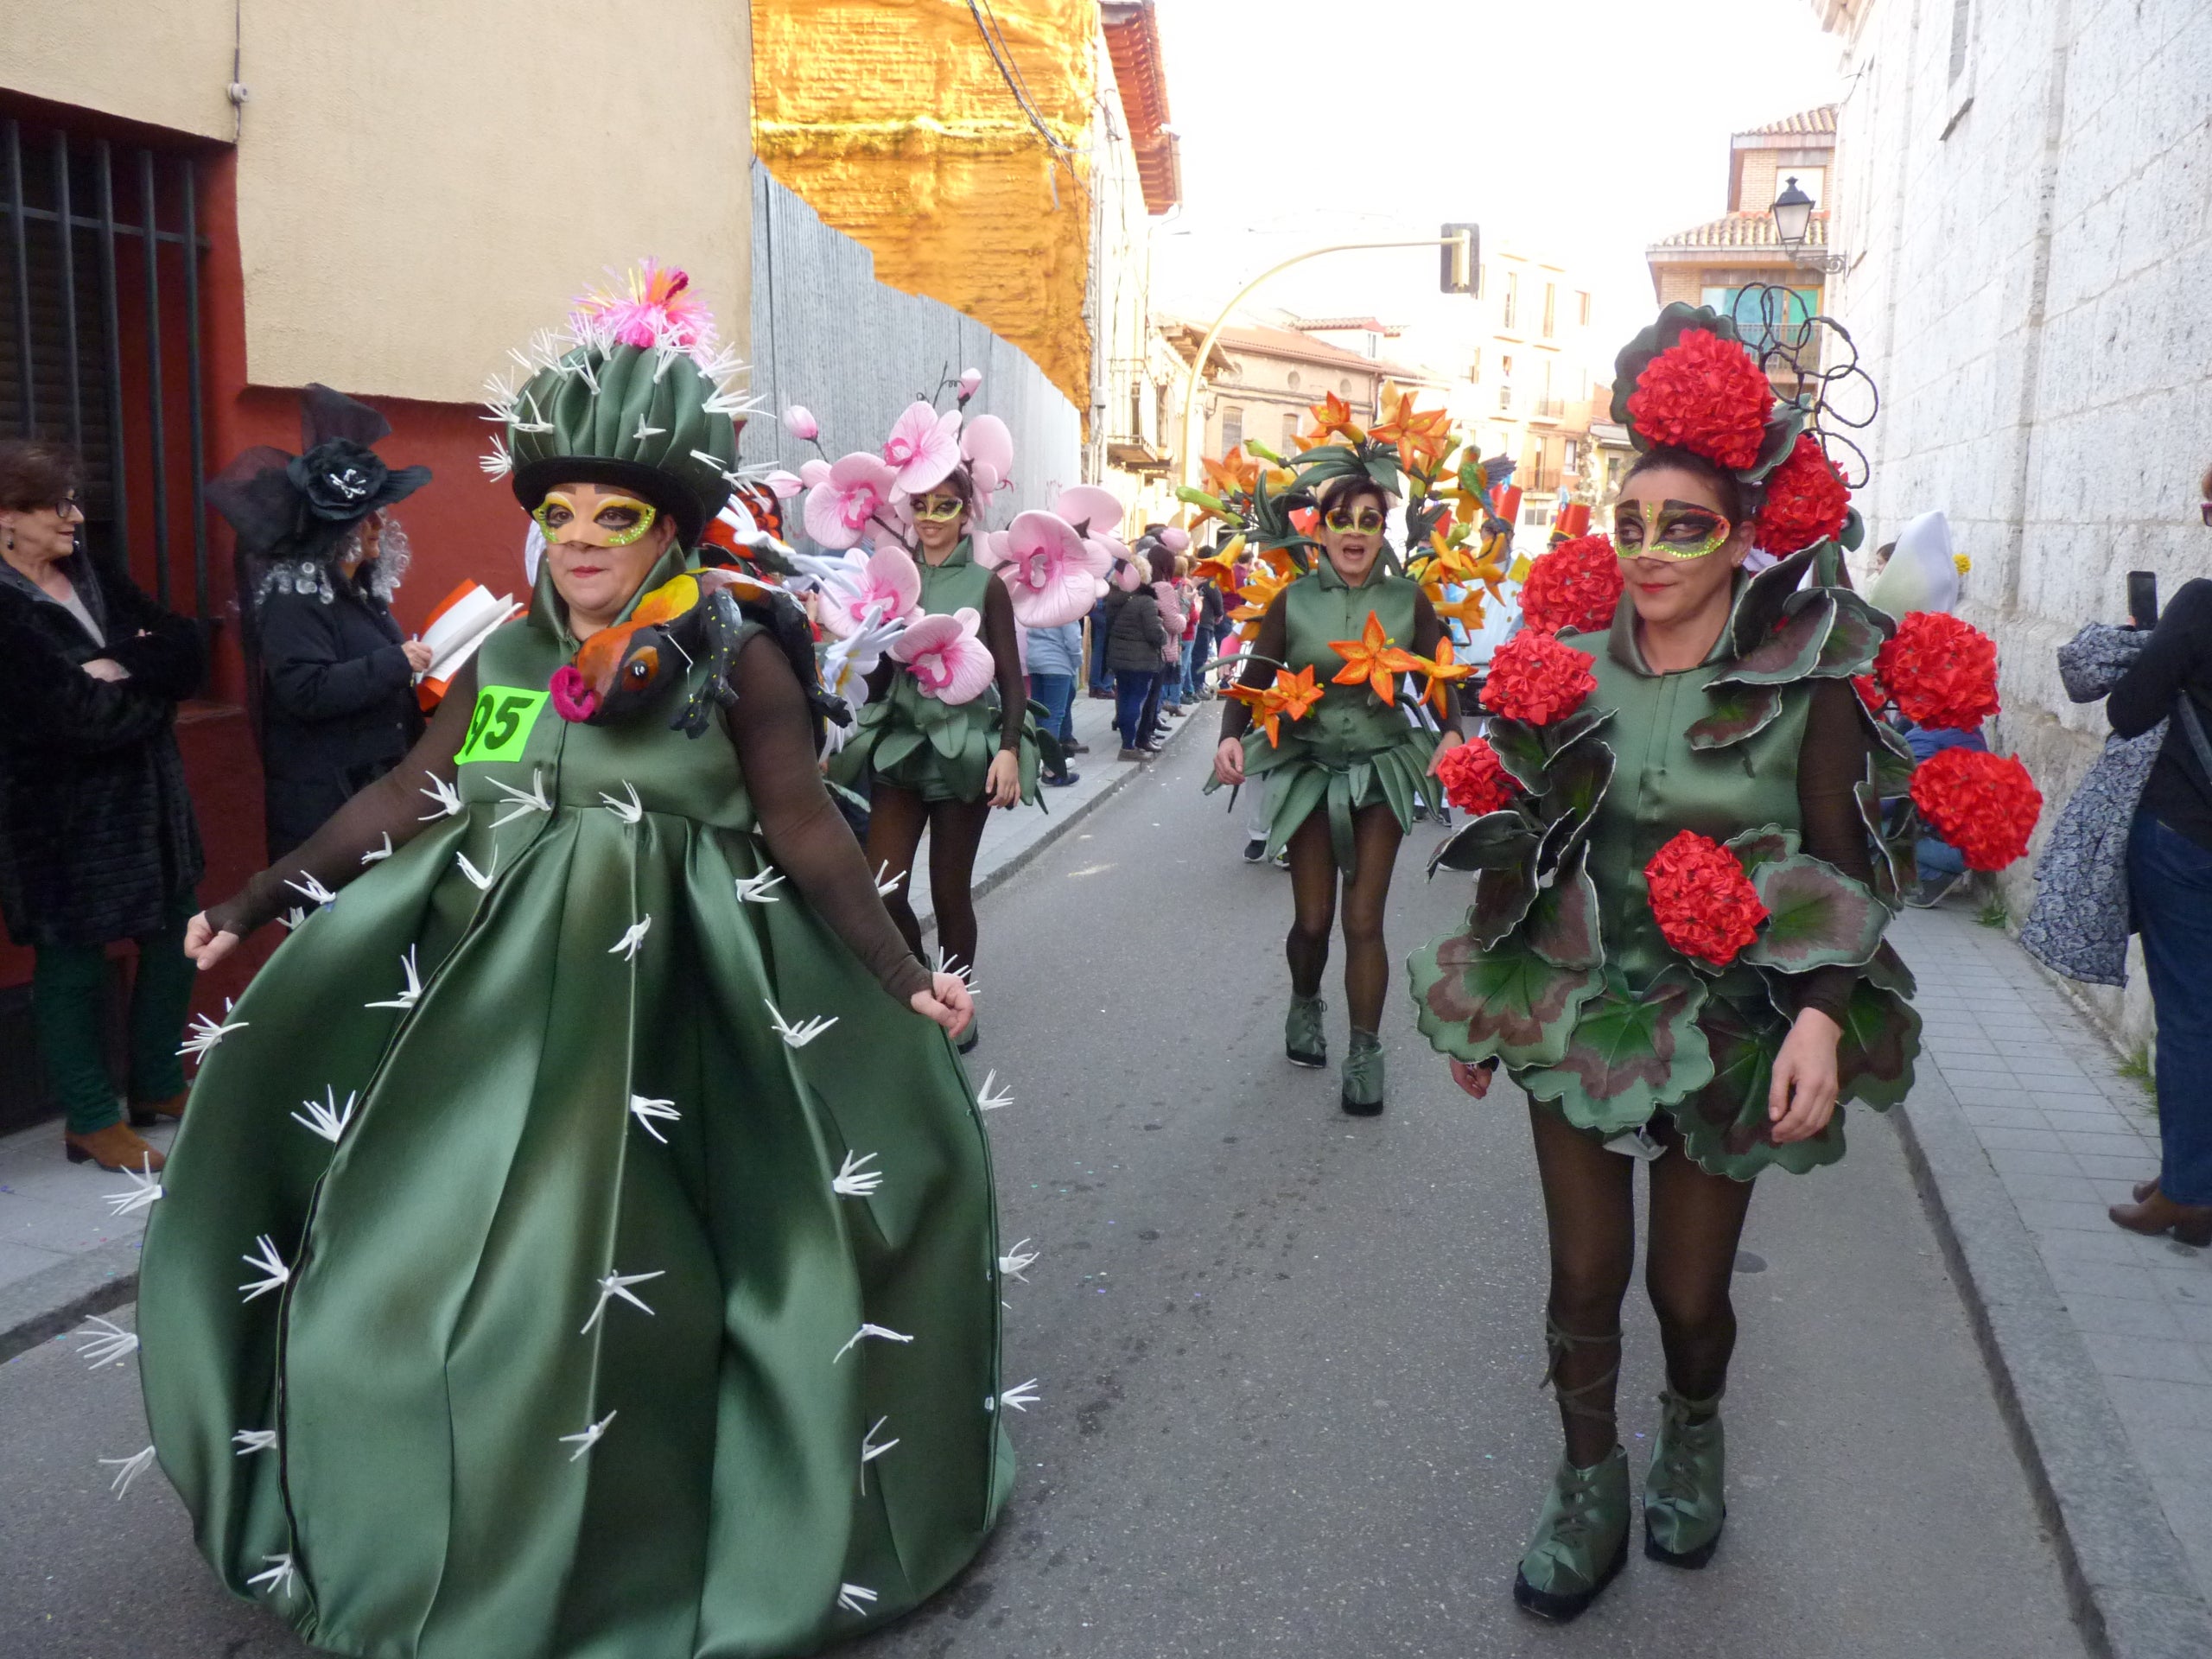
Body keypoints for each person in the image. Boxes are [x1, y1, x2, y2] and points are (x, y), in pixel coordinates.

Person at [138, 268, 1004, 1658]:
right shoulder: (505, 663)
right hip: (486, 1020)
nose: (583, 540)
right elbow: (409, 801)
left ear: (670, 526)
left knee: (635, 1296)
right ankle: (431, 1527)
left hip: (678, 1023)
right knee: (414, 1278)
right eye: (559, 514)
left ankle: (631, 1550)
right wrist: (257, 894)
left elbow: (808, 834)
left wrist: (905, 975)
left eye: (618, 516)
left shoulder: (741, 660)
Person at [1409, 302, 1929, 1622]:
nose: (1647, 552)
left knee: (1685, 1291)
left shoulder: (1805, 688)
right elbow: (1528, 840)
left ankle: (1692, 1429)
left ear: (1745, 539)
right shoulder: (1564, 670)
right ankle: (1589, 1482)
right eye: (1628, 525)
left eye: (1683, 527)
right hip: (1584, 1005)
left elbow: (1844, 865)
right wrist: (1488, 1004)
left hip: (1736, 1015)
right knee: (1583, 1272)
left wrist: (1819, 1015)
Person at [1214, 474, 1465, 1115]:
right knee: (1314, 921)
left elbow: (1440, 675)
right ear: (1320, 530)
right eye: (1343, 520)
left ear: (1384, 531)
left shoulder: (1410, 600)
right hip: (1309, 765)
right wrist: (1230, 738)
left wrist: (1453, 732)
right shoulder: (1293, 601)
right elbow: (1254, 676)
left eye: (1370, 520)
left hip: (1382, 770)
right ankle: (1305, 1000)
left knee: (1363, 921)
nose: (1355, 532)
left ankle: (1364, 1054)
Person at [0, 439, 205, 1173]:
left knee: (177, 934)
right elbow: (70, 717)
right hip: (60, 825)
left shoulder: (89, 572)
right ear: (7, 520)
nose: (77, 517)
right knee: (72, 962)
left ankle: (156, 1085)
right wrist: (144, 683)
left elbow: (186, 647)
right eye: (59, 505)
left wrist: (119, 670)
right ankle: (90, 1119)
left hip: (151, 810)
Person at [833, 463, 1040, 1052]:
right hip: (900, 749)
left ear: (965, 513)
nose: (929, 518)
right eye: (920, 505)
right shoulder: (892, 578)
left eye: (944, 506)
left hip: (963, 755)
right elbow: (874, 679)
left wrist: (1007, 751)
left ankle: (960, 1000)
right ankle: (926, 981)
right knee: (883, 888)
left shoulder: (985, 585)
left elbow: (1011, 677)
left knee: (950, 893)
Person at [207, 385, 432, 858]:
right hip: (328, 806)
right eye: (368, 518)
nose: (380, 527)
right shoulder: (294, 598)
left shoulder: (360, 589)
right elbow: (306, 689)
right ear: (335, 533)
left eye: (380, 516)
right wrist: (396, 661)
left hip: (370, 790)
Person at [2103, 471, 2212, 1246]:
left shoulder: (2202, 603)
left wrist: (2143, 647)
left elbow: (2129, 708)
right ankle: (2194, 1168)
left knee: (2191, 1017)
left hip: (2187, 836)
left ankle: (2189, 1193)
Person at [1103, 550, 1166, 761]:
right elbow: (1155, 634)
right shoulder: (1145, 601)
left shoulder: (1114, 599)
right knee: (1135, 701)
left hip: (1119, 658)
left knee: (1124, 698)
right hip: (1141, 660)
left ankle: (1127, 741)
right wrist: (1163, 633)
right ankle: (1128, 747)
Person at [1023, 613, 1083, 786]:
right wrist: (1076, 661)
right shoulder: (1065, 608)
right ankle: (1052, 770)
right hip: (1057, 663)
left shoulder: (1037, 604)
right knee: (1054, 716)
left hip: (1035, 660)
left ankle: (1036, 763)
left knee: (1040, 716)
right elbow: (1073, 640)